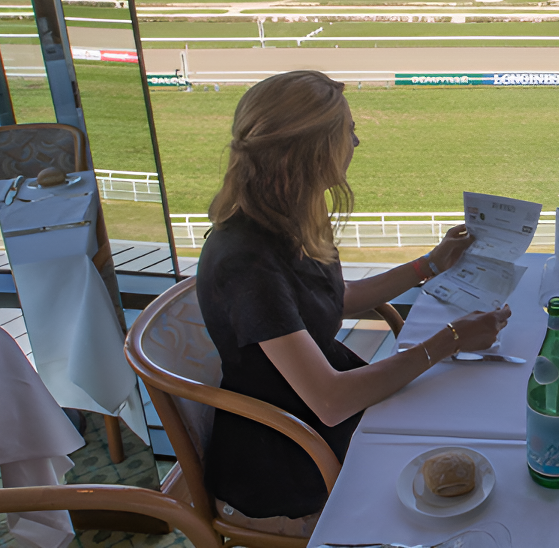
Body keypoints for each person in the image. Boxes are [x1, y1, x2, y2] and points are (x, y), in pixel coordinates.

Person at [196, 70, 510, 535]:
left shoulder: (285, 219)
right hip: (291, 455)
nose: (356, 142)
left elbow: (332, 300)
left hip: (320, 418)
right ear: (312, 151)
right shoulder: (247, 260)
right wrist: (452, 339)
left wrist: (430, 264)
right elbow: (329, 399)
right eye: (348, 130)